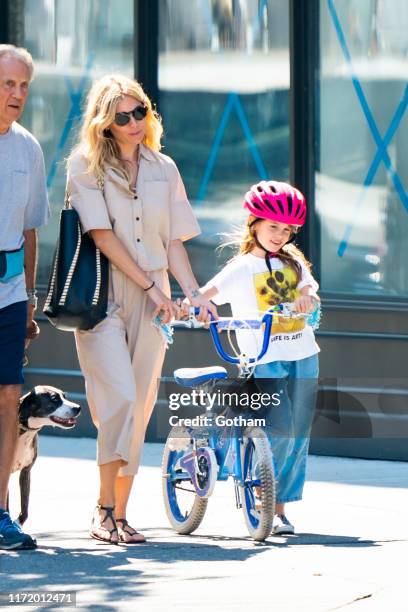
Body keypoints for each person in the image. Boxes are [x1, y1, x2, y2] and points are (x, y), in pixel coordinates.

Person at [66, 74, 216, 544]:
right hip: (103, 297)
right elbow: (102, 236)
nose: (133, 122)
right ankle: (103, 506)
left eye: (140, 112)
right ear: (105, 122)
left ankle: (119, 513)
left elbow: (172, 241)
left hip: (157, 300)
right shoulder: (85, 166)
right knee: (119, 399)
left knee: (141, 402)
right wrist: (153, 288)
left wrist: (191, 292)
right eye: (122, 116)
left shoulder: (164, 168)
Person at [197, 180, 320, 535]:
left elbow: (308, 286)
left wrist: (306, 296)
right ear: (254, 223)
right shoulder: (241, 268)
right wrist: (198, 306)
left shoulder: (292, 262)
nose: (280, 235)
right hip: (263, 357)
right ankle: (267, 501)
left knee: (297, 432)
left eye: (287, 229)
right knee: (277, 427)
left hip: (303, 352)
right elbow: (207, 294)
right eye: (273, 227)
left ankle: (277, 509)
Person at [0, 45, 49, 550]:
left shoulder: (28, 148)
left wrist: (31, 297)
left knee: (9, 397)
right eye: (8, 84)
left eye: (23, 86)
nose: (17, 95)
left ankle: (0, 513)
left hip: (11, 290)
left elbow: (31, 229)